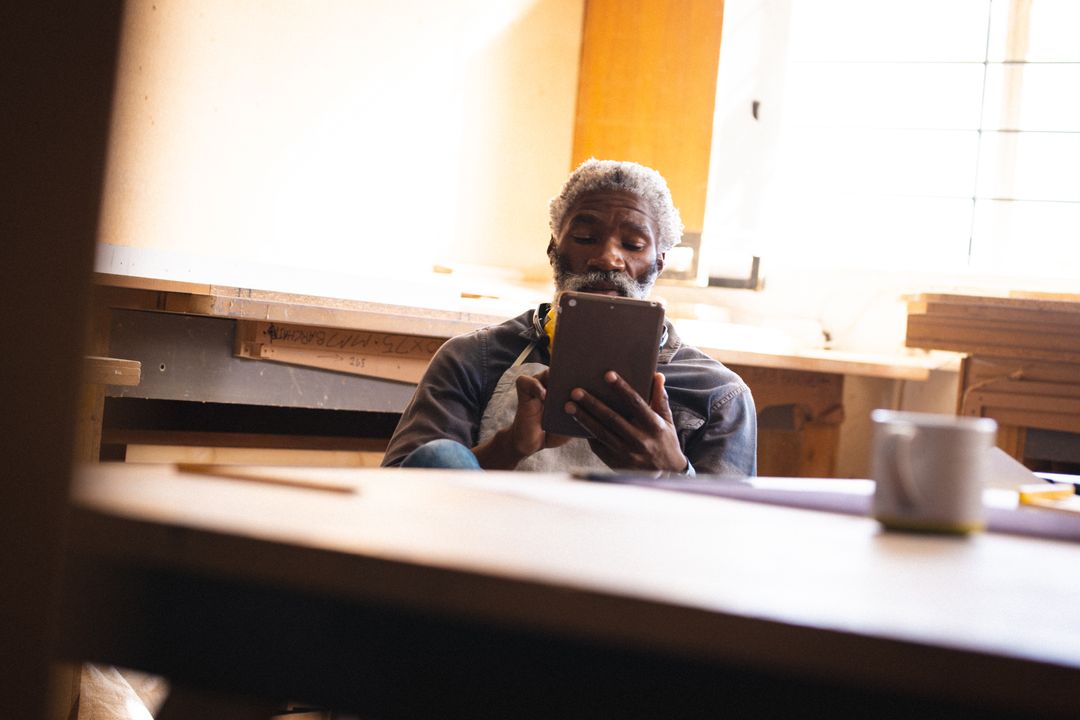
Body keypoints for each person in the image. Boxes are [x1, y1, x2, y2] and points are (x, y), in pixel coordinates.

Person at [381, 159, 757, 476]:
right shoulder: (473, 360)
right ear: (553, 250)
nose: (608, 258)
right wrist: (510, 446)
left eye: (633, 245)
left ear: (658, 263)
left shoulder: (718, 395)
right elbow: (399, 491)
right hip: (497, 549)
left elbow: (727, 543)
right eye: (585, 237)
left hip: (632, 559)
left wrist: (672, 470)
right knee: (440, 457)